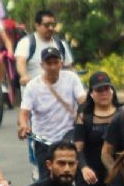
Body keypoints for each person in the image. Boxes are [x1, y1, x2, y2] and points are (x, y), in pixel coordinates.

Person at [74, 71, 121, 186]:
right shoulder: (84, 117)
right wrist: (83, 168)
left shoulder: (122, 112)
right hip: (91, 174)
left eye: (107, 89)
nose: (104, 93)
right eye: (99, 90)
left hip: (116, 173)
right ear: (91, 94)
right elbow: (77, 148)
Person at [17, 47, 85, 179]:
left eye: (56, 62)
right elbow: (24, 112)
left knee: (73, 174)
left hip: (68, 135)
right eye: (49, 63)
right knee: (46, 181)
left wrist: (85, 112)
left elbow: (82, 100)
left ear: (61, 63)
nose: (53, 67)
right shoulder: (33, 86)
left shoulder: (71, 78)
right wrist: (23, 125)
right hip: (44, 139)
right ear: (42, 65)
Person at [14, 10, 74, 86]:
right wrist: (24, 76)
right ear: (37, 26)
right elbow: (20, 61)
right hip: (34, 92)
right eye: (47, 25)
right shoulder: (26, 42)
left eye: (53, 25)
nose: (51, 28)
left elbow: (69, 67)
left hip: (58, 91)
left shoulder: (61, 44)